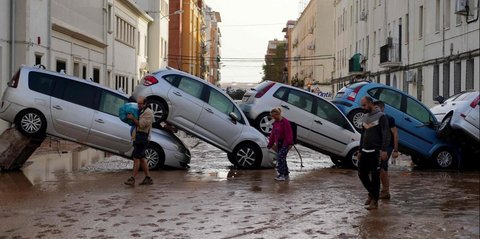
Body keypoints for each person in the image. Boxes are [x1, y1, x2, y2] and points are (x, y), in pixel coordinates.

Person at [357, 96, 390, 210]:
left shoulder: (382, 117)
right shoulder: (365, 117)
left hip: (376, 152)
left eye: (364, 105)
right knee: (361, 174)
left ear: (371, 103)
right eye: (362, 105)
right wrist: (360, 150)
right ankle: (372, 193)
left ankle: (374, 202)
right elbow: (362, 135)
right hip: (365, 151)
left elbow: (386, 134)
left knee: (375, 176)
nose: (363, 107)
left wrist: (384, 150)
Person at [124, 96, 154, 186]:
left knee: (136, 158)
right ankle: (148, 178)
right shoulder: (141, 111)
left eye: (141, 104)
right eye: (138, 103)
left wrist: (132, 118)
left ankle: (132, 179)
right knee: (142, 158)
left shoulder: (148, 113)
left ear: (145, 104)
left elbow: (141, 125)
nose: (139, 105)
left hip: (142, 138)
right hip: (138, 137)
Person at [374, 101, 399, 200]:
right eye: (374, 108)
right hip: (378, 146)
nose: (375, 110)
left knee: (382, 168)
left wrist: (396, 150)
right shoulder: (374, 119)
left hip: (388, 146)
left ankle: (385, 192)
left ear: (382, 108)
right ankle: (384, 191)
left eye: (377, 108)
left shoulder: (389, 119)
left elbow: (395, 134)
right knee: (380, 169)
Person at [267, 107, 294, 181]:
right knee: (282, 159)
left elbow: (289, 133)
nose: (273, 117)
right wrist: (270, 144)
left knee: (280, 158)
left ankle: (281, 175)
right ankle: (286, 174)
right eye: (272, 116)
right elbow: (272, 134)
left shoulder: (285, 122)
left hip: (285, 143)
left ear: (278, 114)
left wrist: (289, 143)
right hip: (279, 144)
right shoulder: (275, 123)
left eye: (274, 116)